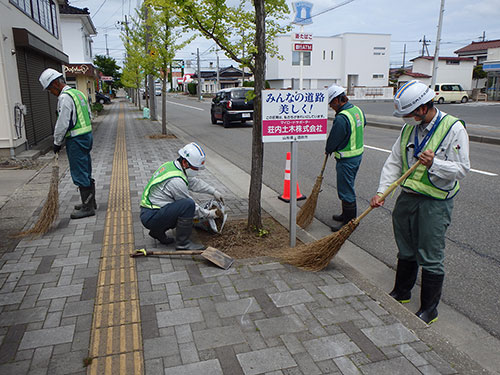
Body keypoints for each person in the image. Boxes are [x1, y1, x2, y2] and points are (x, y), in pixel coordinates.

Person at [370, 80, 470, 324]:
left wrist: (434, 164)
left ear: (423, 108)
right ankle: (402, 292)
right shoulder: (408, 129)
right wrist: (382, 192)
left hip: (434, 202)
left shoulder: (453, 128)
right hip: (407, 197)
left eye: (409, 113)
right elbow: (394, 162)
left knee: (431, 253)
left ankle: (429, 308)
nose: (406, 118)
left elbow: (461, 170)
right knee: (406, 246)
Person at [140, 142, 224, 250]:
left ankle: (157, 232)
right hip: (151, 216)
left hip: (151, 211)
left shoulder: (173, 166)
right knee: (187, 205)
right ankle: (183, 244)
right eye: (195, 168)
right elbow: (192, 207)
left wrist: (213, 191)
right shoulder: (176, 181)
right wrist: (209, 214)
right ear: (185, 162)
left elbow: (194, 182)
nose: (197, 171)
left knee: (183, 207)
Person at [39, 68, 96, 220]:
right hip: (87, 136)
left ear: (56, 84)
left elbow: (62, 122)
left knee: (79, 171)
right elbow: (89, 114)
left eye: (50, 89)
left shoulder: (64, 98)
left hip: (76, 139)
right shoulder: (78, 93)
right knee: (86, 167)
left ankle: (88, 207)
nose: (51, 92)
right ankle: (91, 202)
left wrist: (57, 142)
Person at [325, 84, 366, 231]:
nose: (331, 106)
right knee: (347, 186)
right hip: (357, 156)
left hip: (347, 159)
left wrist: (328, 148)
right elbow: (363, 125)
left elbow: (334, 138)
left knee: (345, 189)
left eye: (331, 103)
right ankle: (345, 214)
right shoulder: (357, 110)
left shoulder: (342, 118)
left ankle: (349, 222)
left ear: (337, 100)